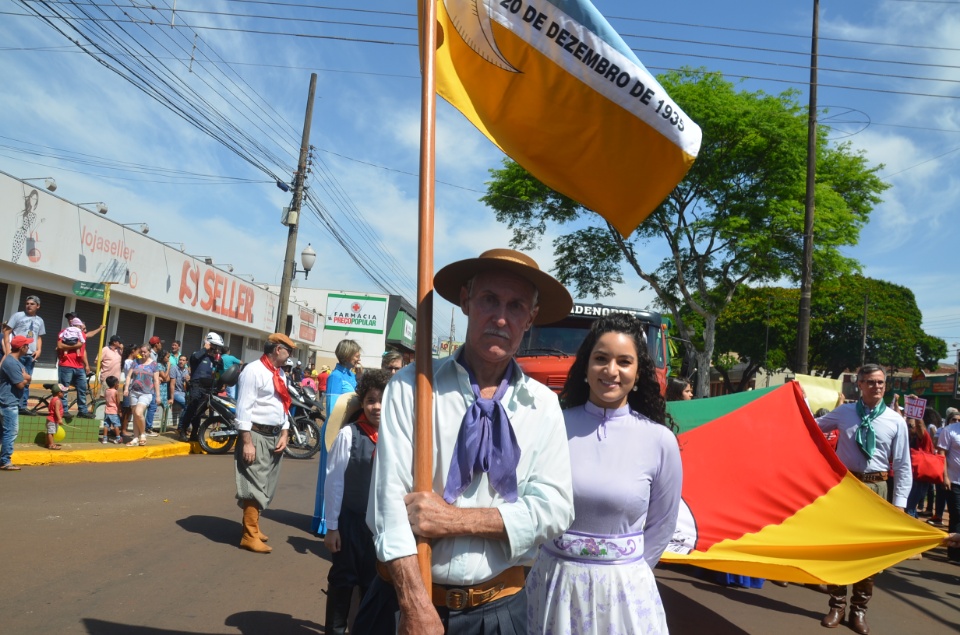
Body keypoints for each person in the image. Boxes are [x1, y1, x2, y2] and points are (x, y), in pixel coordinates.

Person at [354, 248, 575, 635]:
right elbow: (389, 505)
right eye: (489, 299)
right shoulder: (413, 385)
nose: (501, 317)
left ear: (531, 317)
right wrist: (415, 606)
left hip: (500, 612)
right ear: (465, 301)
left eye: (517, 305)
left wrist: (456, 520)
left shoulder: (543, 405)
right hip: (405, 603)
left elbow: (556, 509)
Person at [527, 313, 682, 633]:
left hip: (623, 593)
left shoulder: (660, 441)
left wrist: (621, 572)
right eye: (601, 359)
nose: (611, 370)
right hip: (555, 584)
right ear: (585, 366)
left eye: (624, 361)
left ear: (638, 373)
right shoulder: (553, 426)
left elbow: (662, 525)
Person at [815, 364, 911, 635]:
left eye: (880, 382)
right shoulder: (845, 412)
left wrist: (900, 504)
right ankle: (837, 605)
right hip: (846, 488)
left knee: (869, 553)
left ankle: (858, 610)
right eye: (870, 382)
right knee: (838, 548)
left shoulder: (895, 421)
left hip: (876, 488)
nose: (876, 386)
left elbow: (903, 466)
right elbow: (812, 427)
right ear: (858, 384)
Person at [323, 369, 390, 634]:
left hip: (379, 527)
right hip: (350, 525)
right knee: (342, 582)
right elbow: (334, 481)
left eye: (383, 400)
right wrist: (332, 528)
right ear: (362, 403)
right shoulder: (349, 435)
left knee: (374, 586)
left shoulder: (397, 438)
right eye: (371, 400)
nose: (377, 406)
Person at [234, 333, 296, 554]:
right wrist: (247, 442)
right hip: (256, 434)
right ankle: (249, 535)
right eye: (289, 351)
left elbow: (282, 405)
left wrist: (285, 431)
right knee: (255, 485)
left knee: (267, 485)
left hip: (274, 434)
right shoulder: (253, 371)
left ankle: (254, 526)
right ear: (278, 349)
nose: (291, 355)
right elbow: (243, 408)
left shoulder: (279, 373)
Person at [311, 339, 362, 535]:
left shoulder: (351, 375)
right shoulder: (335, 377)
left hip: (348, 429)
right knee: (331, 475)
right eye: (356, 353)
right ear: (347, 354)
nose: (358, 357)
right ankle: (326, 521)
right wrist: (339, 432)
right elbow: (332, 409)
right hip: (335, 430)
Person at [178, 332, 225, 441]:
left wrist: (219, 357)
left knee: (199, 412)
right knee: (192, 408)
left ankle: (195, 433)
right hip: (196, 385)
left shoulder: (213, 358)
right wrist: (205, 348)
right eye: (214, 345)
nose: (215, 348)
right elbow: (194, 358)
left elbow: (220, 369)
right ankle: (183, 431)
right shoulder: (198, 354)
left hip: (207, 387)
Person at [2, 295, 44, 414]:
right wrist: (7, 350)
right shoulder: (18, 316)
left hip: (30, 355)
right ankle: (13, 403)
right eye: (27, 303)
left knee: (27, 380)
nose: (29, 305)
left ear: (38, 306)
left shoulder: (40, 320)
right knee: (15, 380)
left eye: (32, 304)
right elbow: (6, 332)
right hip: (17, 354)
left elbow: (39, 337)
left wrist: (39, 349)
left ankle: (22, 406)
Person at [56, 314, 104, 419]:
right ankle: (64, 410)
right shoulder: (65, 332)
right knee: (64, 389)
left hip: (79, 367)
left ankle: (82, 411)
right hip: (66, 365)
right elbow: (59, 345)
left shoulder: (81, 334)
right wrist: (76, 345)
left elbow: (88, 337)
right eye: (70, 320)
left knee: (82, 389)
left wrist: (100, 329)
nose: (71, 321)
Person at [1, 335, 34, 470]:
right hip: (8, 402)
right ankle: (5, 461)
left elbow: (26, 378)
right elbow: (21, 384)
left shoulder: (17, 362)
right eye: (27, 345)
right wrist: (27, 378)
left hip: (10, 401)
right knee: (11, 432)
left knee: (4, 432)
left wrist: (27, 377)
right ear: (22, 347)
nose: (28, 348)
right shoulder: (11, 363)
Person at [123, 344, 160, 447]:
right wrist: (126, 388)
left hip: (147, 393)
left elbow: (156, 380)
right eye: (141, 352)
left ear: (149, 352)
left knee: (139, 413)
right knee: (135, 415)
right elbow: (129, 376)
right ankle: (135, 437)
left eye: (145, 352)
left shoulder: (154, 364)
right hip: (134, 392)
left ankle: (143, 434)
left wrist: (158, 396)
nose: (143, 354)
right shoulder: (135, 362)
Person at [936, 409, 960, 562]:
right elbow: (941, 454)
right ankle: (954, 552)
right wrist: (945, 476)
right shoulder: (950, 431)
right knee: (957, 514)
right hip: (954, 480)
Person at [904, 409, 935, 518]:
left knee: (909, 509)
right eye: (907, 426)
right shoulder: (909, 438)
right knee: (909, 508)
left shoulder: (924, 438)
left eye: (911, 426)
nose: (908, 428)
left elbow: (920, 425)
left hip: (919, 479)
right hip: (911, 477)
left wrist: (916, 409)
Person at [169, 355, 190, 430]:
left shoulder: (186, 370)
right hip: (176, 392)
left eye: (183, 360)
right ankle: (182, 427)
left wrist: (188, 380)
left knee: (191, 406)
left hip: (184, 392)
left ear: (186, 362)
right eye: (180, 360)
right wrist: (171, 398)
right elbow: (172, 384)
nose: (181, 361)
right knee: (187, 405)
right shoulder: (174, 368)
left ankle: (185, 426)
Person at [102, 376, 123, 444]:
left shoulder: (107, 391)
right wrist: (119, 411)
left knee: (106, 425)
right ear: (115, 384)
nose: (118, 384)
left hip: (107, 411)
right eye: (117, 383)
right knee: (116, 425)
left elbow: (106, 399)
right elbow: (118, 403)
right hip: (114, 411)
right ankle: (118, 438)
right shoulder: (116, 392)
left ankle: (104, 439)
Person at [45, 383, 64, 450]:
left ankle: (49, 443)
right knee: (51, 433)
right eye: (63, 392)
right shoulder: (58, 401)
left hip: (51, 419)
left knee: (50, 432)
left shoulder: (53, 399)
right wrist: (60, 419)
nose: (63, 394)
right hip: (53, 419)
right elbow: (57, 411)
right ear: (59, 393)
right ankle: (51, 445)